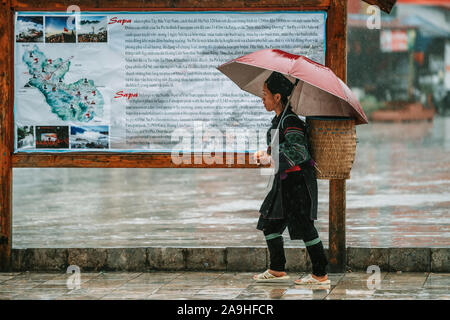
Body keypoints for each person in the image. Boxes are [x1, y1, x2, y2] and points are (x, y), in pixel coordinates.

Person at [252, 71, 330, 285]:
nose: (263, 98)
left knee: (305, 228)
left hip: (298, 184)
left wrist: (271, 156)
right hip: (283, 182)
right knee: (269, 222)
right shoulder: (279, 120)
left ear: (278, 97)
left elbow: (299, 151)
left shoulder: (291, 120)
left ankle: (320, 274)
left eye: (265, 94)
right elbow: (278, 149)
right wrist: (266, 154)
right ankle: (277, 269)